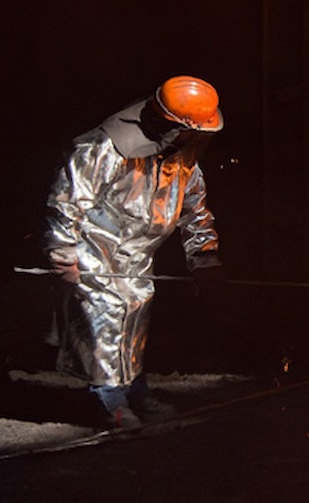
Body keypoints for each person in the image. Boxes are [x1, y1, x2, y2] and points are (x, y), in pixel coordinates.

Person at [44, 75, 226, 429]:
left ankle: (134, 390)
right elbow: (67, 200)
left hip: (137, 256)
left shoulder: (182, 158)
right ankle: (110, 401)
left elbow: (194, 209)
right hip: (95, 249)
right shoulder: (102, 148)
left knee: (134, 317)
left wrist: (204, 257)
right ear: (175, 125)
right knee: (105, 319)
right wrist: (63, 251)